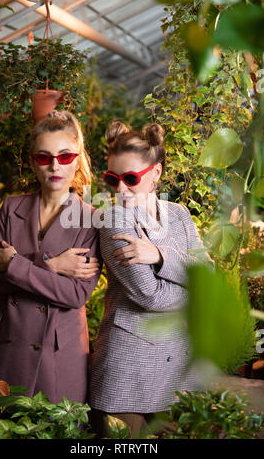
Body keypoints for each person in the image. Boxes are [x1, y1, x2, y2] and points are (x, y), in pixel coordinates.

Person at [89, 121, 212, 438]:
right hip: (128, 369)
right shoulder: (113, 218)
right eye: (112, 179)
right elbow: (149, 296)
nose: (120, 189)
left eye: (131, 179)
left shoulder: (180, 214)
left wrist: (160, 254)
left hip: (178, 371)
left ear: (156, 173)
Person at [0, 109, 102, 404]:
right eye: (44, 157)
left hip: (59, 354)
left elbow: (74, 295)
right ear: (33, 164)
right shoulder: (11, 209)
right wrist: (50, 265)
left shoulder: (91, 220)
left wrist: (14, 264)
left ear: (78, 160)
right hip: (9, 344)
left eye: (65, 156)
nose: (54, 166)